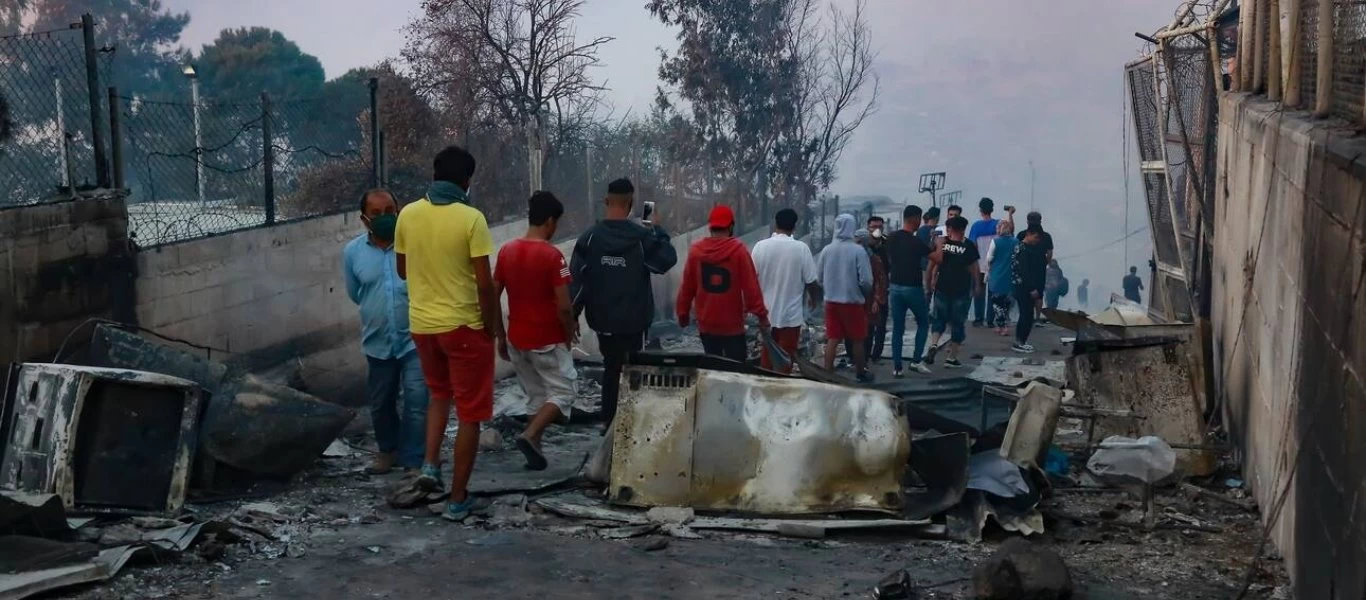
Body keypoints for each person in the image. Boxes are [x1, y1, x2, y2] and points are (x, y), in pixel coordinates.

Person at [395, 145, 502, 522]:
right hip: (463, 325)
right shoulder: (471, 219)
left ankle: (429, 466)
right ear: (467, 180)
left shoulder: (407, 214)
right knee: (471, 413)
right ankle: (457, 500)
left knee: (438, 395)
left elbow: (403, 270)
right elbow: (485, 283)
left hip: (423, 325)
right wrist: (490, 326)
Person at [571, 178, 678, 432]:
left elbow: (577, 281)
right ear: (630, 205)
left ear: (606, 202)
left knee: (611, 368)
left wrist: (572, 316)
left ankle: (608, 424)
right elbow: (666, 261)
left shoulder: (589, 238)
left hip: (603, 321)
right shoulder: (642, 238)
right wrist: (657, 229)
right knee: (633, 371)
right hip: (635, 322)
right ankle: (630, 427)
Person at [343, 188, 429, 475]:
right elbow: (356, 293)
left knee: (417, 402)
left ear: (399, 210)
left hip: (415, 337)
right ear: (364, 219)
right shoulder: (353, 252)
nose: (385, 218)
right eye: (377, 214)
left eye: (390, 211)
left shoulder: (416, 245)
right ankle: (387, 451)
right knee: (381, 404)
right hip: (377, 342)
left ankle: (414, 460)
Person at [494, 191, 577, 472]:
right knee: (564, 392)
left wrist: (500, 336)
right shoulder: (553, 256)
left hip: (517, 337)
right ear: (550, 221)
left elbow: (493, 296)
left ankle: (535, 450)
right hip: (547, 338)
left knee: (535, 395)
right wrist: (568, 334)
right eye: (556, 224)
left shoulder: (506, 251)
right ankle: (530, 435)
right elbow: (565, 307)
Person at [677, 205, 770, 362]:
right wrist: (762, 316)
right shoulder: (739, 251)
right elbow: (751, 288)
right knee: (736, 372)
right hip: (732, 327)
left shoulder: (696, 252)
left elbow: (687, 287)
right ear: (731, 226)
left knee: (713, 369)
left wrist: (682, 314)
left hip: (707, 326)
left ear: (710, 226)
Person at [751, 208, 820, 373]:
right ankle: (781, 392)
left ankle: (764, 389)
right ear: (795, 226)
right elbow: (812, 282)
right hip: (791, 316)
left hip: (765, 314)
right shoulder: (801, 248)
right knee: (785, 358)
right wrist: (814, 299)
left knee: (767, 355)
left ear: (775, 223)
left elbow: (750, 278)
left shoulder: (760, 247)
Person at [817, 214, 873, 382]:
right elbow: (866, 280)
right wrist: (865, 293)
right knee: (857, 339)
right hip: (852, 302)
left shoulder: (827, 250)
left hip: (831, 302)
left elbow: (819, 277)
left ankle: (827, 372)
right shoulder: (858, 251)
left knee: (833, 338)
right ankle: (860, 372)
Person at [923, 215, 981, 368]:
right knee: (958, 323)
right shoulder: (968, 246)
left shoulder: (942, 244)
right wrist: (977, 286)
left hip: (942, 288)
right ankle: (951, 357)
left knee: (938, 320)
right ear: (963, 229)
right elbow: (974, 268)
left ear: (950, 229)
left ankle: (934, 344)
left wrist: (929, 284)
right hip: (961, 290)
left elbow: (932, 265)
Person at [884, 204, 934, 377]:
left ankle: (897, 368)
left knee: (898, 328)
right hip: (913, 288)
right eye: (919, 218)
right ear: (914, 218)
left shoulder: (891, 238)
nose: (920, 222)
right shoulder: (916, 242)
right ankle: (915, 361)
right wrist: (940, 242)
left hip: (895, 287)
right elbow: (938, 258)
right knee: (923, 322)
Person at [851, 228, 889, 365]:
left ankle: (864, 360)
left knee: (867, 330)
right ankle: (856, 360)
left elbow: (880, 280)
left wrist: (876, 300)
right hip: (855, 299)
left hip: (868, 299)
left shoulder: (874, 258)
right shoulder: (852, 256)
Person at [1011, 227, 1049, 353]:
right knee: (1026, 315)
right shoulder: (1022, 249)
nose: (1037, 240)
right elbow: (1023, 271)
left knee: (1026, 314)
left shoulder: (1027, 248)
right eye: (1036, 237)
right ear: (1029, 234)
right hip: (1024, 287)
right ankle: (1020, 342)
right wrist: (1032, 288)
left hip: (1024, 286)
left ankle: (1020, 341)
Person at [966, 198, 1003, 327]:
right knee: (992, 292)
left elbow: (973, 245)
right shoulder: (998, 224)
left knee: (978, 291)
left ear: (981, 210)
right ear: (992, 209)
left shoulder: (976, 226)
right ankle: (990, 320)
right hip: (994, 264)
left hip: (980, 263)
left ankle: (978, 318)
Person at [985, 218, 1018, 336]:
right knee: (1006, 302)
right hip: (1011, 275)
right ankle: (1003, 324)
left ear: (999, 229)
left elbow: (989, 258)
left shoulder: (995, 242)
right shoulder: (1016, 242)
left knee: (997, 303)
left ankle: (1002, 326)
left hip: (997, 275)